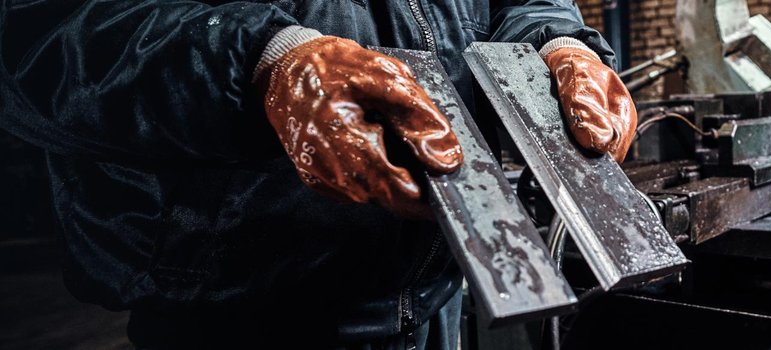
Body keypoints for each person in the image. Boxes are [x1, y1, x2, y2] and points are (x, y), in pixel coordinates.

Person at [0, 1, 636, 348]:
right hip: (233, 316)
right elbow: (36, 33)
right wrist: (262, 59)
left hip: (438, 293)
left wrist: (558, 40)